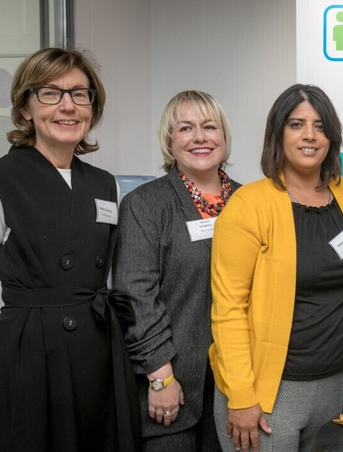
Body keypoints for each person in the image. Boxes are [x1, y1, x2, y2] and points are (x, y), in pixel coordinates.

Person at [209, 84, 343, 452]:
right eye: (297, 124)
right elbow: (228, 309)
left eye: (320, 126)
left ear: (331, 137)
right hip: (270, 392)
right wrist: (241, 396)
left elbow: (333, 262)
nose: (309, 136)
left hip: (338, 383)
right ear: (278, 133)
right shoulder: (248, 205)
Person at [0, 48, 141, 451]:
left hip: (98, 346)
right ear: (25, 108)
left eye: (80, 94)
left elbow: (113, 272)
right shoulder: (4, 179)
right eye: (50, 94)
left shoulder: (104, 183)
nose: (67, 106)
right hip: (32, 351)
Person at [113, 90, 240, 451]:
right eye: (185, 128)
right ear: (170, 141)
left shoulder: (250, 202)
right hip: (173, 391)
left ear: (224, 137)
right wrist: (160, 378)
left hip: (237, 390)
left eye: (209, 126)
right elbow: (136, 295)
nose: (200, 137)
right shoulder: (146, 204)